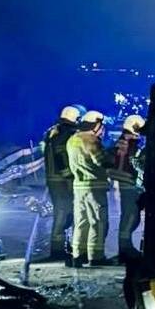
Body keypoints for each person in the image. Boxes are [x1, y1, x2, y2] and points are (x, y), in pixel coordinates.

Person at [66, 110, 114, 267]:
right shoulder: (91, 140)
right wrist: (112, 155)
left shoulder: (72, 139)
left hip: (78, 187)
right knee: (98, 222)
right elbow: (102, 161)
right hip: (95, 187)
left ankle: (78, 255)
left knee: (81, 222)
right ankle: (96, 256)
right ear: (96, 124)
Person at [42, 106, 81, 260]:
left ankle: (63, 244)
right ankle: (58, 249)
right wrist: (69, 178)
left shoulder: (53, 132)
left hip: (53, 179)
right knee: (63, 214)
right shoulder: (66, 134)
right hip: (63, 181)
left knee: (65, 213)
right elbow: (61, 157)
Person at [110, 114, 145, 261]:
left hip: (125, 182)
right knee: (130, 216)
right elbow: (134, 162)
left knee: (130, 216)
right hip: (129, 183)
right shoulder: (129, 142)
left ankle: (125, 247)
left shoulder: (122, 140)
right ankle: (125, 249)